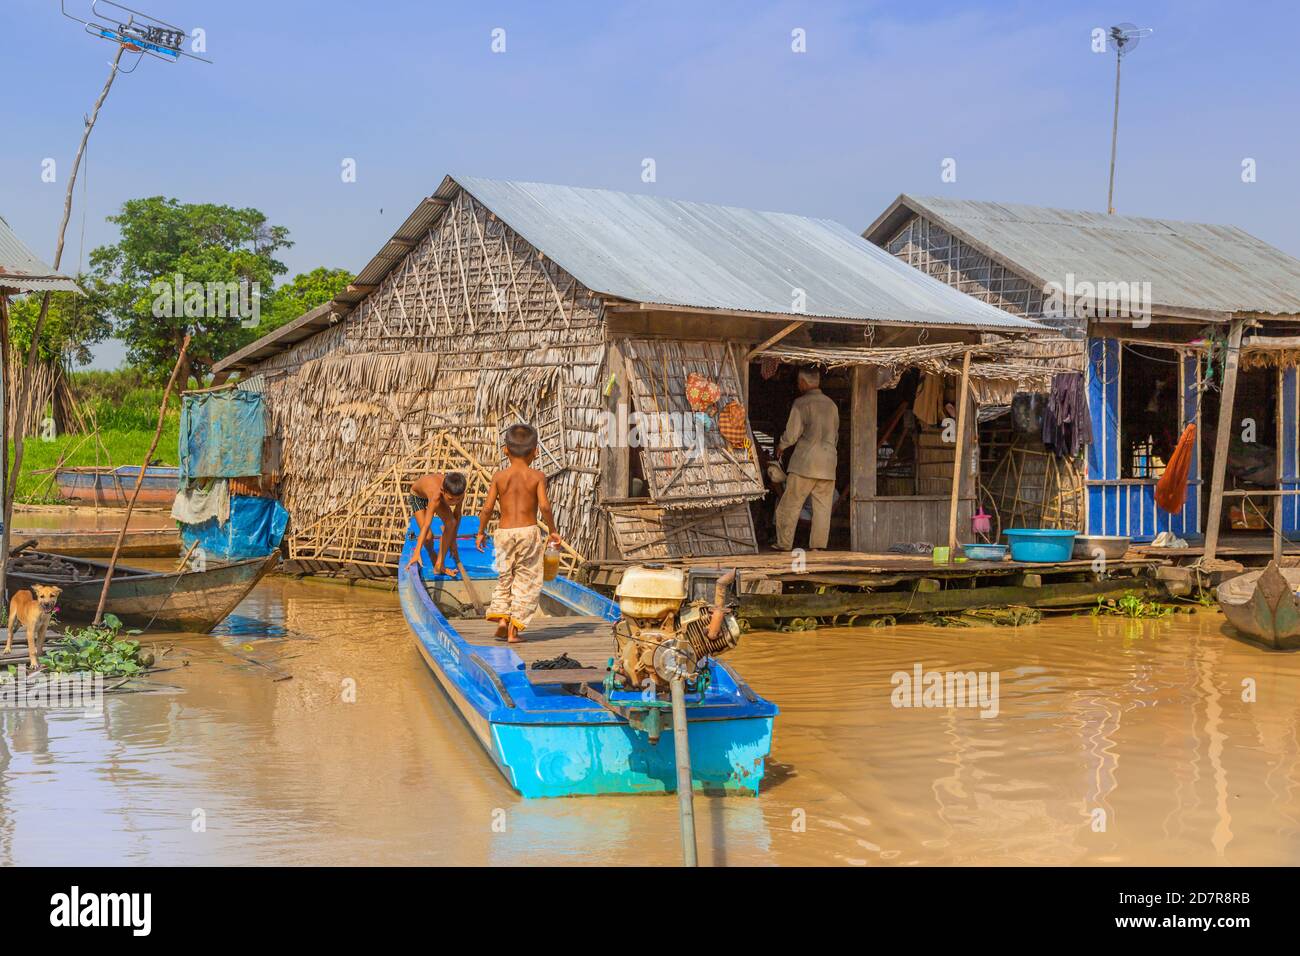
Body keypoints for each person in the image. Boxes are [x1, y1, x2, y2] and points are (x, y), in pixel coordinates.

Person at [475, 424, 561, 643]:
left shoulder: (499, 476)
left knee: (505, 576)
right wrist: (552, 531)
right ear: (536, 451)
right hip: (528, 533)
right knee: (527, 577)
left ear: (505, 450)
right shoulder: (537, 476)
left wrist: (480, 532)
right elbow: (545, 507)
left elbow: (486, 508)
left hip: (503, 533)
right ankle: (514, 631)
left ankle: (502, 618)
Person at [774, 366, 839, 551]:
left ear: (802, 382)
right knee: (823, 509)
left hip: (805, 464)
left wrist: (781, 446)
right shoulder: (832, 405)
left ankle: (784, 544)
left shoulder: (801, 404)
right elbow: (835, 436)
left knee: (790, 505)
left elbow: (792, 434)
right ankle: (817, 547)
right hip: (827, 465)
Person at [405, 471, 468, 576]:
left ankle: (439, 565)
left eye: (457, 499)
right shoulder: (436, 497)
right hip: (418, 497)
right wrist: (417, 553)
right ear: (443, 491)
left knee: (451, 523)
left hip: (438, 495)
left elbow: (457, 515)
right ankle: (431, 553)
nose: (454, 502)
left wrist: (453, 540)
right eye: (451, 499)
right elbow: (426, 525)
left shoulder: (459, 494)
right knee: (429, 536)